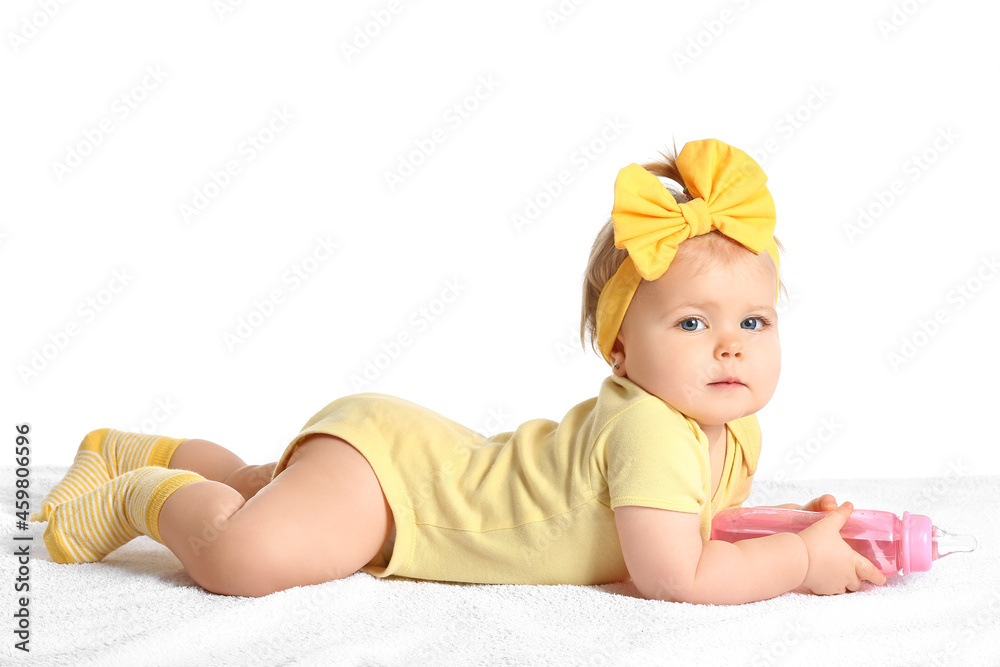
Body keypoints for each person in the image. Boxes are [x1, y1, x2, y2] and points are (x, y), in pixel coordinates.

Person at [31, 138, 887, 603]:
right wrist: (798, 565)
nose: (730, 344)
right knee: (247, 556)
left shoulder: (731, 429)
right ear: (621, 349)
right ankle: (134, 490)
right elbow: (677, 573)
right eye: (694, 322)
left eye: (753, 321)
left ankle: (146, 447)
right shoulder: (647, 426)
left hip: (407, 458)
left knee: (271, 488)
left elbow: (691, 524)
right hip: (401, 491)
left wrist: (782, 524)